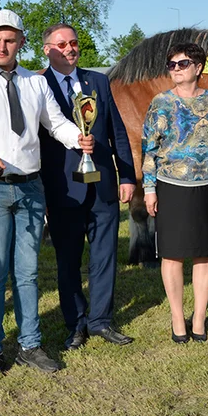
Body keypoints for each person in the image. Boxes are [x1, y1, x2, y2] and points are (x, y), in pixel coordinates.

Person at [0, 10, 94, 383]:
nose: (1, 46)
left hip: (30, 187)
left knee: (27, 274)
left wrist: (78, 137)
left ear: (22, 42)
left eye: (9, 40)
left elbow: (55, 122)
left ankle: (30, 345)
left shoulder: (35, 83)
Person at [39, 23, 137, 351]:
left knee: (105, 255)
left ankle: (101, 321)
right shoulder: (37, 86)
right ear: (47, 50)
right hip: (63, 188)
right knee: (68, 260)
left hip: (104, 185)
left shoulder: (98, 81)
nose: (70, 48)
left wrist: (126, 177)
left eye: (74, 43)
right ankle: (76, 323)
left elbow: (117, 131)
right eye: (62, 44)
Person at [142, 42, 208, 343]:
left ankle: (198, 318)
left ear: (198, 67)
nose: (176, 69)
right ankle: (176, 318)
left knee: (204, 254)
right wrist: (149, 188)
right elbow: (150, 148)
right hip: (172, 186)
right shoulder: (161, 103)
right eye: (171, 64)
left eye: (182, 64)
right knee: (172, 254)